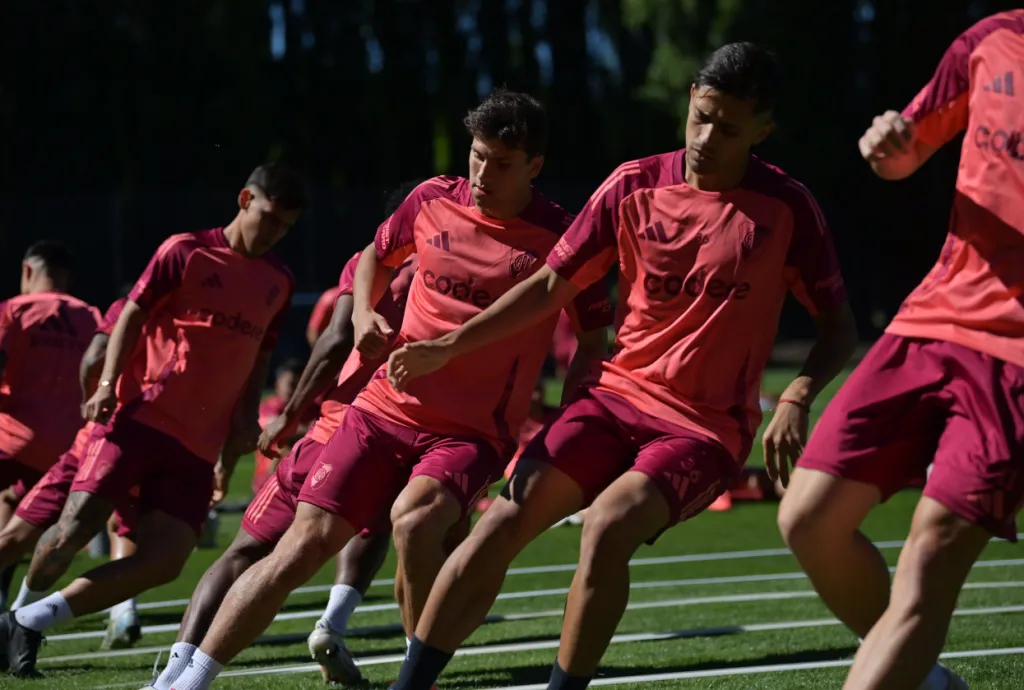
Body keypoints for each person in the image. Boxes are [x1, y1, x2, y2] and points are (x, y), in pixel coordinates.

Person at [383, 42, 857, 690]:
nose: (707, 138)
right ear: (691, 97)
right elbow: (551, 287)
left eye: (729, 127)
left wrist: (799, 395)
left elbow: (839, 327)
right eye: (703, 116)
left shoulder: (787, 209)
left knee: (606, 527)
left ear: (762, 132)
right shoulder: (632, 184)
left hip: (704, 428)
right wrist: (450, 344)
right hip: (614, 399)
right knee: (501, 524)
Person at [164, 89, 612, 690]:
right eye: (477, 156)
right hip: (379, 410)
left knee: (415, 519)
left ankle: (414, 670)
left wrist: (571, 417)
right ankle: (185, 682)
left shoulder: (562, 235)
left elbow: (594, 333)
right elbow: (374, 253)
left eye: (502, 163)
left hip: (471, 432)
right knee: (299, 547)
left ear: (534, 165)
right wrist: (362, 316)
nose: (482, 173)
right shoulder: (431, 198)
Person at [777, 10, 1024, 690]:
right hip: (932, 320)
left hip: (1018, 360)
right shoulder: (988, 39)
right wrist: (888, 145)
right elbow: (906, 151)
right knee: (808, 520)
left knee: (930, 554)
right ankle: (928, 681)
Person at [0, 163, 303, 678]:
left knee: (167, 560)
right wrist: (102, 388)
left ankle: (26, 619)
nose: (273, 233)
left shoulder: (279, 281)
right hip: (136, 421)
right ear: (245, 199)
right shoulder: (184, 251)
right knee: (68, 532)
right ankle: (18, 620)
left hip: (197, 447)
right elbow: (129, 316)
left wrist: (236, 441)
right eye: (269, 218)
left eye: (285, 227)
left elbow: (256, 363)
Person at [148, 179, 423, 690]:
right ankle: (346, 632)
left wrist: (292, 414)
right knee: (384, 535)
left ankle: (175, 675)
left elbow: (333, 340)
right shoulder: (446, 268)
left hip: (329, 426)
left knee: (247, 552)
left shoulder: (367, 264)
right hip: (388, 433)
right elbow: (338, 338)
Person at [0, 241, 101, 611]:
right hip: (63, 449)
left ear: (28, 270)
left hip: (10, 437)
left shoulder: (15, 309)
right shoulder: (92, 316)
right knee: (14, 516)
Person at [251, 357, 308, 495]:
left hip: (301, 478)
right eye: (291, 384)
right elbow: (277, 429)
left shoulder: (309, 406)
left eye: (299, 385)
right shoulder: (270, 407)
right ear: (277, 384)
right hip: (269, 477)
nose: (295, 389)